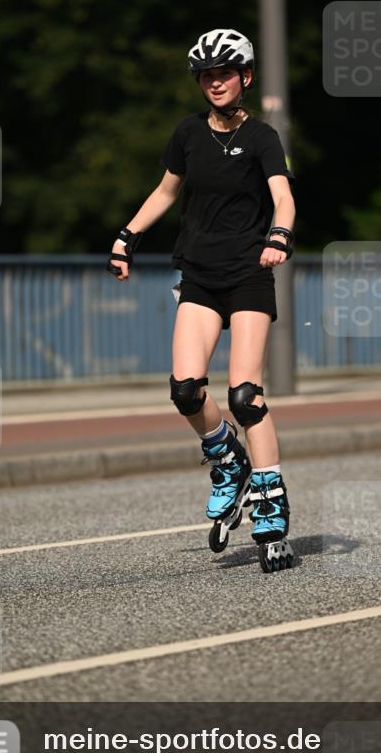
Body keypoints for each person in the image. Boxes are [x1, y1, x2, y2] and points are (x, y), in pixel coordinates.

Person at [107, 28, 296, 567]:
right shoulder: (187, 133)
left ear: (246, 78)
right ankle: (226, 460)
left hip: (249, 274)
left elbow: (283, 197)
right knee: (186, 390)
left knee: (244, 397)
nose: (216, 82)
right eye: (207, 75)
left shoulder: (261, 137)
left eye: (225, 73)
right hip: (199, 275)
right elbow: (166, 191)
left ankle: (270, 501)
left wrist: (279, 236)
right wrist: (126, 237)